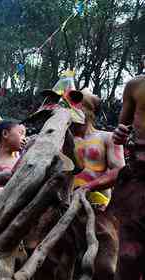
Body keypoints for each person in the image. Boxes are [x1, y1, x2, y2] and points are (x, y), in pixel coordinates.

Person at [70, 89, 125, 280]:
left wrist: (88, 187)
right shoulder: (61, 139)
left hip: (98, 209)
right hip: (63, 208)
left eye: (79, 106)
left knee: (104, 267)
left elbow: (119, 171)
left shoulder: (106, 138)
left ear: (90, 111)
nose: (74, 111)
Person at [108, 65, 145, 279]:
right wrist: (120, 134)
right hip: (137, 179)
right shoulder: (135, 85)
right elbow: (122, 129)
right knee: (129, 255)